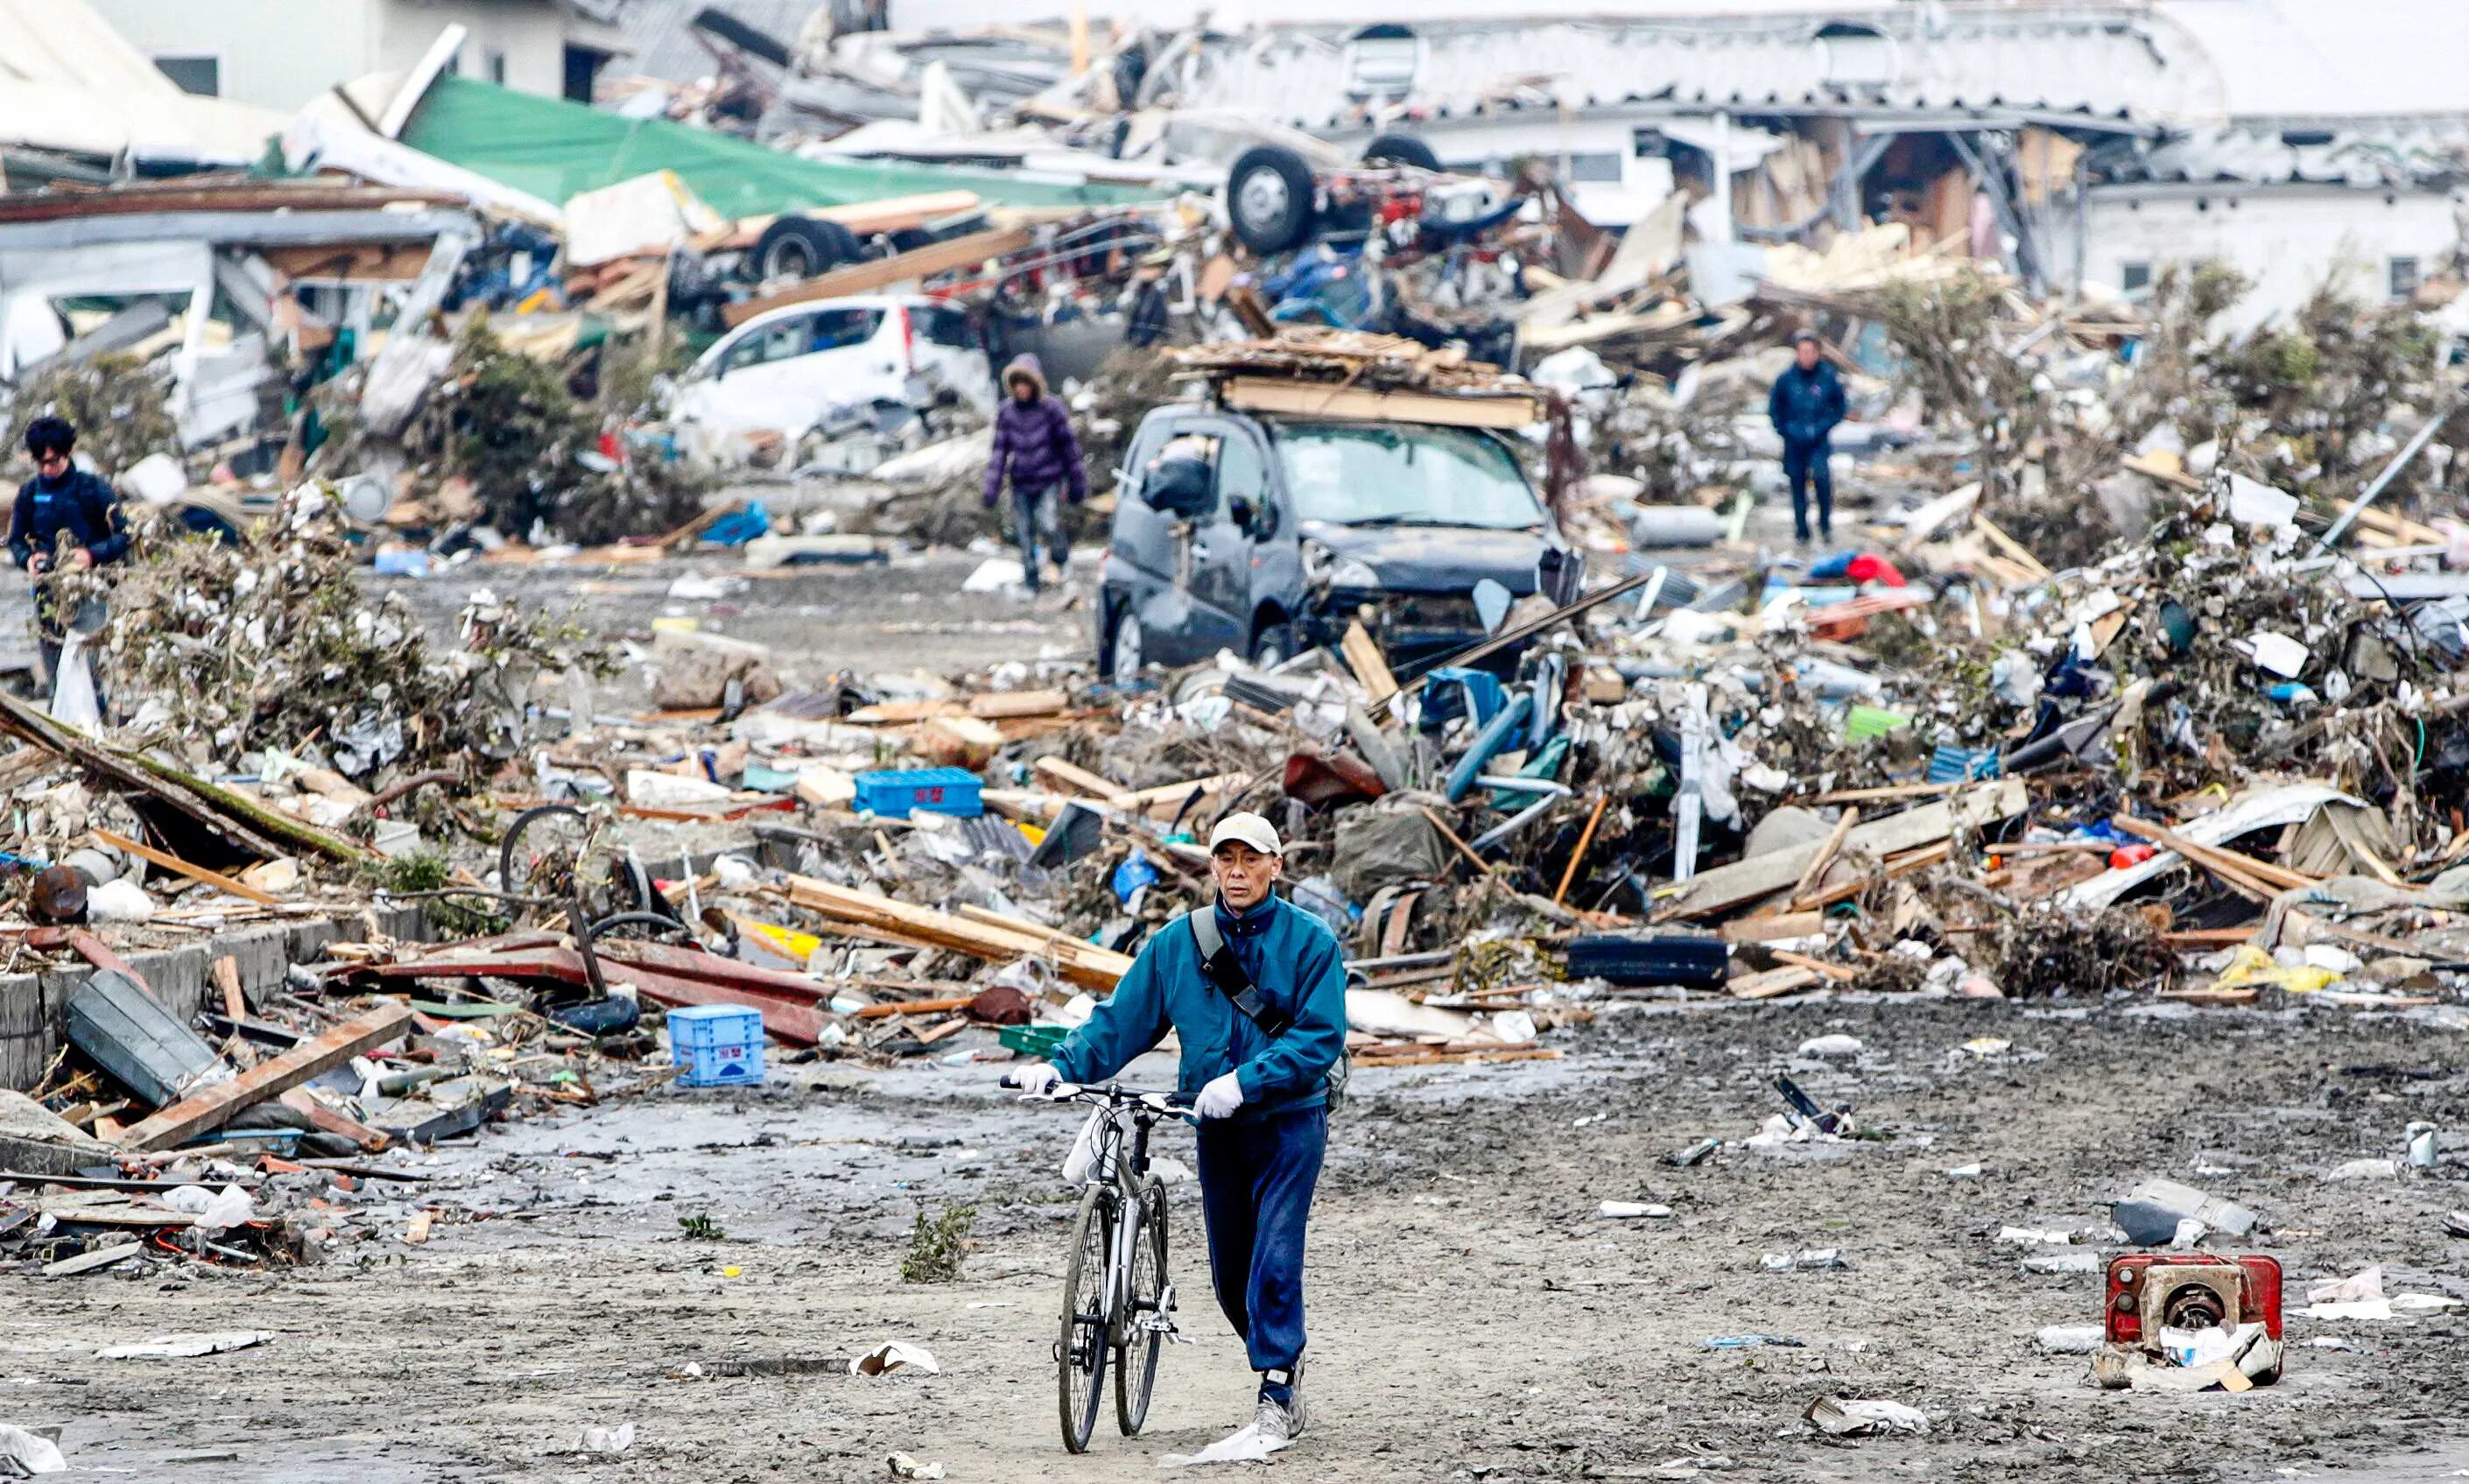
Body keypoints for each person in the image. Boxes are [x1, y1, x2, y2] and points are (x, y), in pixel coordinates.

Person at [1008, 812, 1345, 1447]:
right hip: (1213, 1123)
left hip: (1288, 1121)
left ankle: (1276, 1388)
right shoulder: (1178, 944)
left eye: (1251, 859)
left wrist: (1247, 1080)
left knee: (1274, 1258)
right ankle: (1285, 1362)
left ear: (1277, 865)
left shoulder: (1311, 942)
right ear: (1212, 865)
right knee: (1229, 1276)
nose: (1238, 871)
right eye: (1226, 859)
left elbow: (1321, 1036)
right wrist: (1058, 1065)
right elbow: (1122, 1022)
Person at [8, 417, 130, 689]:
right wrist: (28, 558)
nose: (48, 469)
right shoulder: (30, 492)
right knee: (58, 679)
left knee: (90, 673)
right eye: (42, 464)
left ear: (68, 453)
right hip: (49, 595)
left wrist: (91, 554)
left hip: (89, 589)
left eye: (54, 462)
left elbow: (124, 535)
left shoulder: (93, 487)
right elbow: (15, 540)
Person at [981, 355, 1087, 594]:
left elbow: (1069, 448)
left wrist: (1077, 482)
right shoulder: (1007, 412)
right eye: (1016, 383)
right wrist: (991, 488)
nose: (1021, 389)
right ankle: (1032, 582)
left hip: (1049, 479)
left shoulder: (1052, 409)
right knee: (1024, 533)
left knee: (1048, 523)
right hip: (1021, 482)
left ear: (1034, 384)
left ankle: (1061, 559)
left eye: (1025, 383)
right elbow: (999, 452)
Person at [1767, 329, 1847, 545]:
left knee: (1822, 480)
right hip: (1794, 441)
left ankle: (1825, 525)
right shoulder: (1786, 379)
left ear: (1817, 353)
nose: (1807, 356)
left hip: (1818, 440)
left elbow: (1839, 407)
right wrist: (1787, 430)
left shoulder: (1827, 377)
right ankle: (1802, 530)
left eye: (1811, 351)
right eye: (1803, 351)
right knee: (1797, 483)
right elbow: (1775, 410)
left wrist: (1822, 426)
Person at [1125, 259, 1173, 348]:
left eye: (1145, 269)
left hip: (1154, 341)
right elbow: (1134, 317)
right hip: (1141, 340)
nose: (1139, 273)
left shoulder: (1158, 293)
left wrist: (1143, 340)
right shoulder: (1141, 293)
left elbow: (1157, 320)